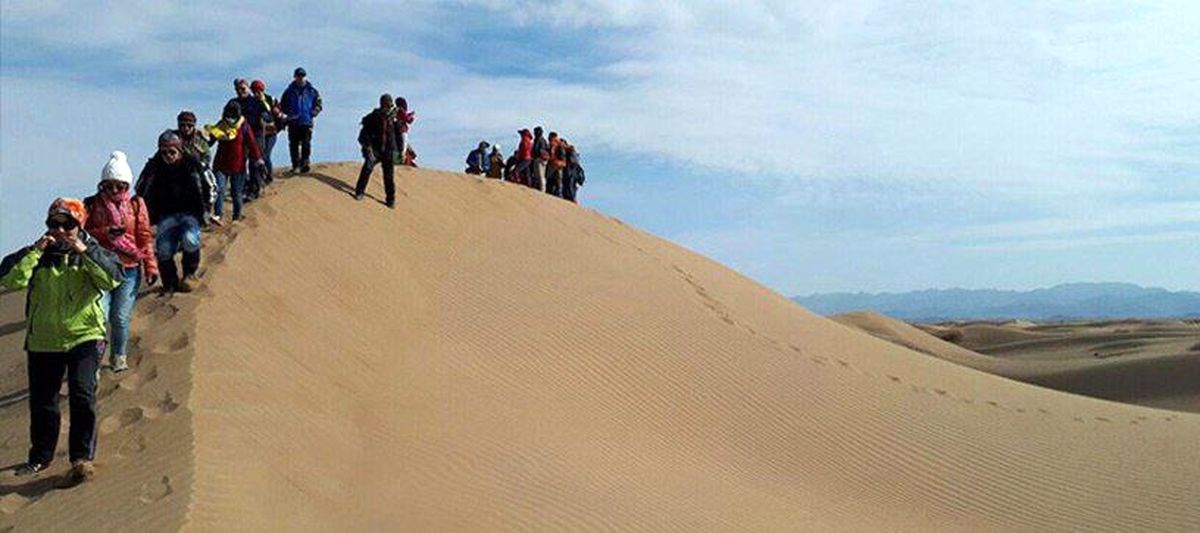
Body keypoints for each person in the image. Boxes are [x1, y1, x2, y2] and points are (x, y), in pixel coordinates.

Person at [0, 198, 123, 483]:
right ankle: (40, 458)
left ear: (79, 225)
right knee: (44, 402)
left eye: (67, 224)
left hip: (84, 335)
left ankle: (81, 458)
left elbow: (112, 279)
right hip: (44, 338)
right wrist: (35, 251)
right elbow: (10, 279)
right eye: (53, 223)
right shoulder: (39, 253)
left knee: (82, 394)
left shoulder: (91, 251)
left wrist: (84, 250)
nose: (60, 229)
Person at [83, 152, 158, 373]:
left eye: (120, 186)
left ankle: (118, 355)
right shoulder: (91, 204)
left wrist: (150, 265)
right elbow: (84, 235)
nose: (114, 191)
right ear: (102, 184)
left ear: (127, 185)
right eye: (109, 186)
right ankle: (94, 363)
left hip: (129, 269)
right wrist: (106, 233)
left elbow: (144, 236)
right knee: (99, 319)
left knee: (120, 318)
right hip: (101, 269)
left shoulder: (136, 205)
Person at [136, 130, 212, 293]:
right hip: (166, 214)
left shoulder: (192, 163)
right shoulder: (154, 166)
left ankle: (189, 274)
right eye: (164, 152)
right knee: (163, 249)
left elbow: (209, 185)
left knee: (190, 240)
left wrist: (207, 208)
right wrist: (142, 213)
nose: (168, 155)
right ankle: (170, 283)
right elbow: (141, 188)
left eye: (172, 152)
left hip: (190, 212)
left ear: (179, 150)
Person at [208, 101, 264, 222]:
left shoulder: (244, 126)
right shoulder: (220, 125)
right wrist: (203, 140)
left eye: (233, 115)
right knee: (219, 189)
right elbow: (210, 141)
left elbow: (252, 143)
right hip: (220, 165)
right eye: (228, 114)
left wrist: (258, 159)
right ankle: (218, 215)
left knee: (236, 193)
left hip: (238, 166)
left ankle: (237, 216)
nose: (230, 117)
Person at [354, 93, 401, 208]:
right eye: (387, 105)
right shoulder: (373, 117)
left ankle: (391, 200)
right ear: (382, 104)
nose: (389, 107)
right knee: (367, 168)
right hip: (375, 149)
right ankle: (359, 192)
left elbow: (399, 138)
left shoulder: (393, 120)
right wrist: (367, 148)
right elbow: (363, 135)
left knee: (389, 176)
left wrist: (399, 155)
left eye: (390, 105)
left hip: (389, 151)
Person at [230, 79, 269, 200]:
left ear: (248, 88)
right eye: (238, 89)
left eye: (243, 88)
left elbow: (267, 115)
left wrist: (264, 116)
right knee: (239, 163)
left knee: (255, 163)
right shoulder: (233, 103)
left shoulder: (256, 101)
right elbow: (225, 117)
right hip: (239, 136)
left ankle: (254, 190)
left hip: (256, 135)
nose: (240, 91)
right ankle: (242, 187)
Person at [173, 110, 218, 214]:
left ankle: (207, 208)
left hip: (196, 168)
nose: (186, 128)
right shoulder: (173, 137)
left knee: (209, 182)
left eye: (189, 125)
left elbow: (207, 155)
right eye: (183, 125)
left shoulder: (199, 139)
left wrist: (202, 164)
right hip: (175, 167)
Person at [280, 67, 322, 174]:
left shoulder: (312, 90)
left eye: (302, 76)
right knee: (293, 144)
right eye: (298, 76)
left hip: (306, 121)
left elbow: (319, 103)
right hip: (293, 121)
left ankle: (305, 163)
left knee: (306, 143)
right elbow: (282, 105)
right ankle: (296, 165)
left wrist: (314, 112)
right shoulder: (288, 91)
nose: (300, 78)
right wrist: (288, 115)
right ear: (295, 77)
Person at [251, 80, 282, 186]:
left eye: (258, 91)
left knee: (266, 154)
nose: (256, 93)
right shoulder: (252, 102)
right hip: (259, 133)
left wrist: (277, 113)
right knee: (258, 156)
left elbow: (279, 110)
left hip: (271, 132)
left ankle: (269, 176)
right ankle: (261, 177)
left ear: (262, 90)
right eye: (254, 91)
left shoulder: (270, 99)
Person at [395, 97, 415, 167]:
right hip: (402, 130)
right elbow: (408, 120)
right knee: (403, 147)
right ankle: (401, 160)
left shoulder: (397, 111)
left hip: (399, 130)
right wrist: (411, 116)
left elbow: (405, 117)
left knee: (404, 146)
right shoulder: (401, 110)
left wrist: (409, 115)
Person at [546, 132, 565, 197]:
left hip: (557, 168)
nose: (550, 141)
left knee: (558, 185)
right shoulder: (549, 147)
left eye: (551, 139)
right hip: (550, 168)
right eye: (549, 139)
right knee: (549, 184)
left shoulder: (560, 148)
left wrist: (557, 162)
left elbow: (564, 162)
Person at [531, 126, 549, 192]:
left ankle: (542, 190)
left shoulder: (539, 140)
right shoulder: (543, 140)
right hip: (542, 159)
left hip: (539, 159)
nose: (534, 133)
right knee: (539, 176)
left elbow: (536, 149)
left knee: (540, 176)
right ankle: (540, 189)